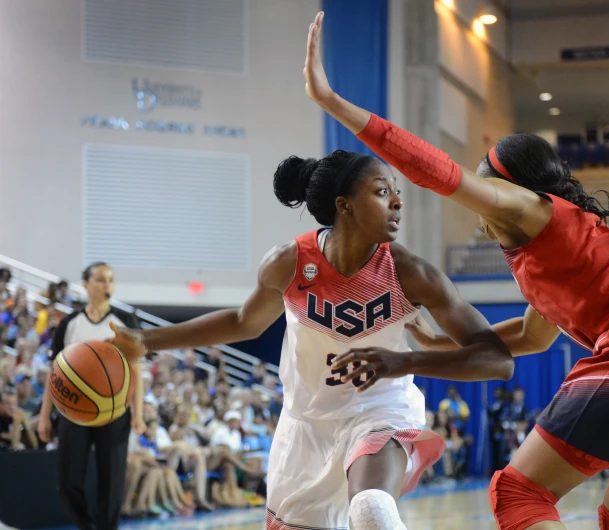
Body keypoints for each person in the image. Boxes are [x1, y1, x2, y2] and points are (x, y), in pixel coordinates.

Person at [303, 12, 609, 529]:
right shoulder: (562, 252)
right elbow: (532, 335)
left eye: (487, 188)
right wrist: (444, 345)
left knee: (519, 493)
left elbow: (438, 173)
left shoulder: (531, 210)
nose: (482, 202)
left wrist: (333, 102)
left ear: (510, 187)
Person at [109, 147, 512, 528]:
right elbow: (242, 322)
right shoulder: (289, 262)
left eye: (397, 192)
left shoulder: (412, 274)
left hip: (379, 410)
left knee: (371, 509)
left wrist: (404, 362)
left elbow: (497, 360)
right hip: (305, 424)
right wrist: (145, 341)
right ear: (344, 205)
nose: (397, 202)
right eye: (382, 191)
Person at [37, 263, 145, 530]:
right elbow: (56, 374)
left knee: (112, 482)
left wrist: (139, 415)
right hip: (73, 409)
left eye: (110, 280)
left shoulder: (126, 322)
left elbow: (137, 372)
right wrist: (43, 417)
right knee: (67, 482)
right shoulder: (69, 323)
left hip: (116, 410)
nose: (107, 285)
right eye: (100, 280)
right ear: (85, 284)